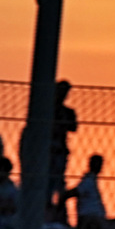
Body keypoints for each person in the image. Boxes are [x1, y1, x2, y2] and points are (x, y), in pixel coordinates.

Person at [47, 81, 79, 212]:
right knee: (48, 180)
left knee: (58, 180)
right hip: (48, 151)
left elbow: (73, 127)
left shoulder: (67, 112)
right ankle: (48, 206)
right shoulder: (47, 110)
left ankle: (59, 209)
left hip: (59, 150)